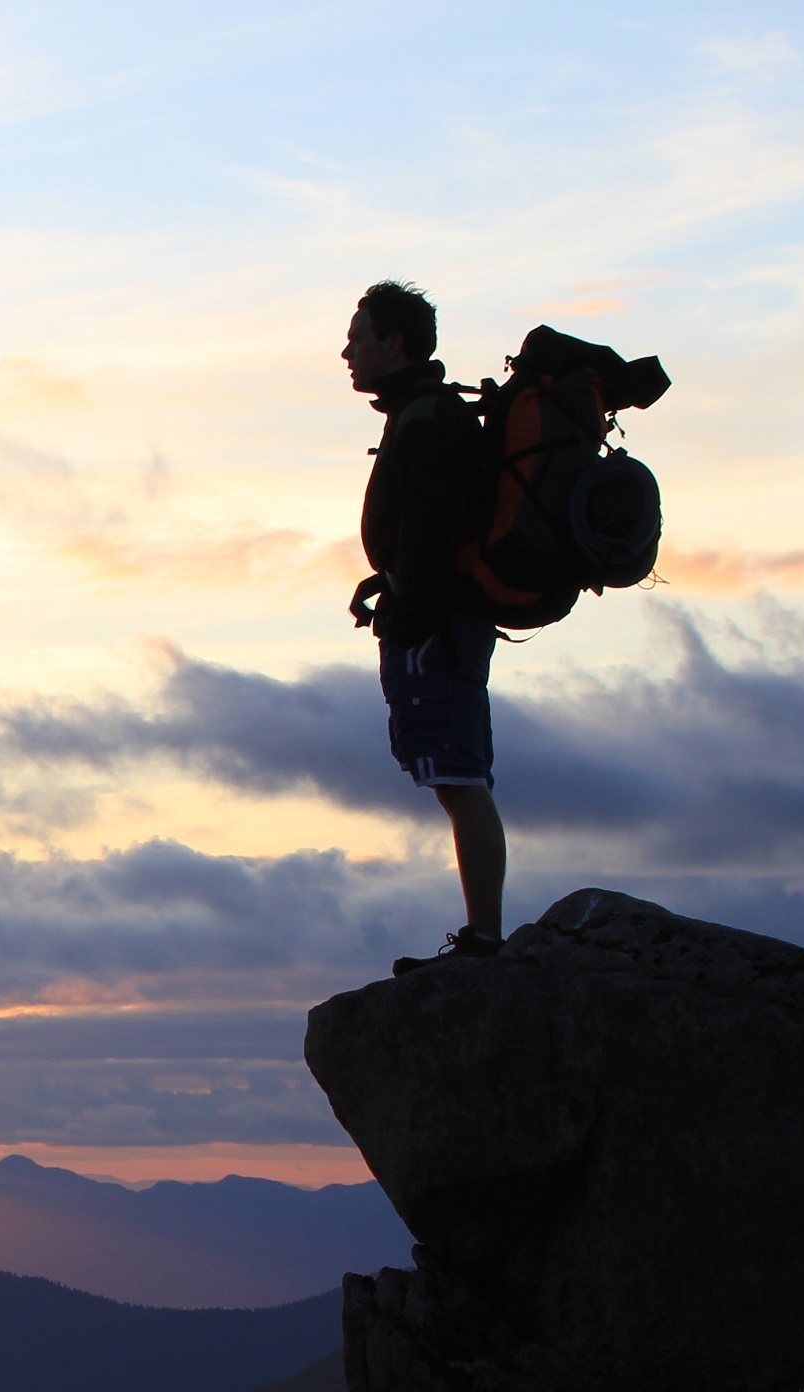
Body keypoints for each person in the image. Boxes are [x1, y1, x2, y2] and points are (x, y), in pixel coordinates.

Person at [343, 279, 504, 974]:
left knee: (460, 777)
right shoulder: (421, 414)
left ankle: (486, 938)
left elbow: (433, 533)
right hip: (440, 618)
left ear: (395, 343)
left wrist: (408, 612)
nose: (347, 351)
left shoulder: (428, 419)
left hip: (439, 625)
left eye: (359, 336)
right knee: (454, 778)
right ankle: (483, 934)